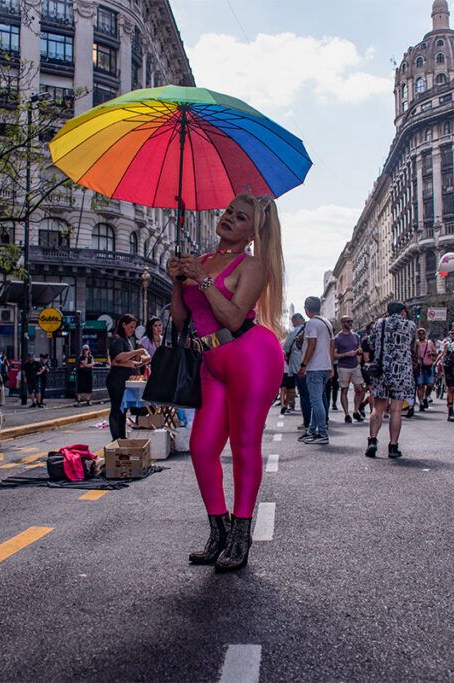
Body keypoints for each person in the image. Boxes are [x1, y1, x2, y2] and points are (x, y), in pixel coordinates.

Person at [168, 192, 285, 572]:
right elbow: (181, 321)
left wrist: (202, 281)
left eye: (241, 217)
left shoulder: (252, 265)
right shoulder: (200, 261)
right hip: (210, 361)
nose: (230, 218)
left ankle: (240, 536)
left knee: (243, 445)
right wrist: (176, 281)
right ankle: (218, 532)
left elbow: (234, 318)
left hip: (251, 356)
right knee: (202, 448)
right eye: (229, 211)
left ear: (253, 233)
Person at [366, 301, 417, 458]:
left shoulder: (379, 324)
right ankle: (393, 447)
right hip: (401, 372)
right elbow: (412, 346)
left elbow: (370, 344)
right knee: (396, 410)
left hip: (381, 370)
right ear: (402, 311)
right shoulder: (410, 325)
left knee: (378, 408)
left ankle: (372, 440)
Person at [297, 296, 334, 445]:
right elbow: (332, 345)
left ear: (306, 309)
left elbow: (312, 344)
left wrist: (304, 365)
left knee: (316, 401)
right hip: (325, 366)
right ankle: (312, 431)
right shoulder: (327, 322)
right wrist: (331, 366)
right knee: (316, 400)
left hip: (315, 367)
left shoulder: (312, 323)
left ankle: (322, 434)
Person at [106, 313, 149, 441]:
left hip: (124, 379)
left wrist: (137, 363)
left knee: (122, 409)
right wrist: (137, 351)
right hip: (116, 379)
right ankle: (116, 437)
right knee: (117, 408)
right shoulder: (118, 339)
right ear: (123, 325)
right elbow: (118, 358)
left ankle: (121, 436)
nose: (132, 330)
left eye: (134, 327)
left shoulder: (126, 340)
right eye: (131, 327)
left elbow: (123, 361)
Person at [334, 315, 365, 424]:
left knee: (360, 389)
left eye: (351, 321)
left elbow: (359, 347)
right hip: (343, 367)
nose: (350, 323)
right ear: (342, 323)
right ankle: (347, 414)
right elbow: (334, 355)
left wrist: (359, 351)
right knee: (344, 390)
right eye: (348, 322)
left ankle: (356, 411)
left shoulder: (355, 336)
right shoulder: (337, 338)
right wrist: (346, 354)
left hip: (355, 366)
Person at [284, 313, 308, 425]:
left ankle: (307, 421)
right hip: (313, 364)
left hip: (298, 365)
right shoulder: (310, 329)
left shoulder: (294, 332)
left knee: (304, 394)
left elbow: (286, 348)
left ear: (295, 320)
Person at [414, 328, 436, 411]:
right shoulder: (416, 343)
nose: (421, 335)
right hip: (420, 367)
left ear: (425, 334)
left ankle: (425, 397)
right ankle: (421, 403)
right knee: (420, 385)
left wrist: (431, 354)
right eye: (419, 333)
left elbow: (435, 353)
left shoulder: (429, 343)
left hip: (429, 366)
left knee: (430, 385)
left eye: (423, 333)